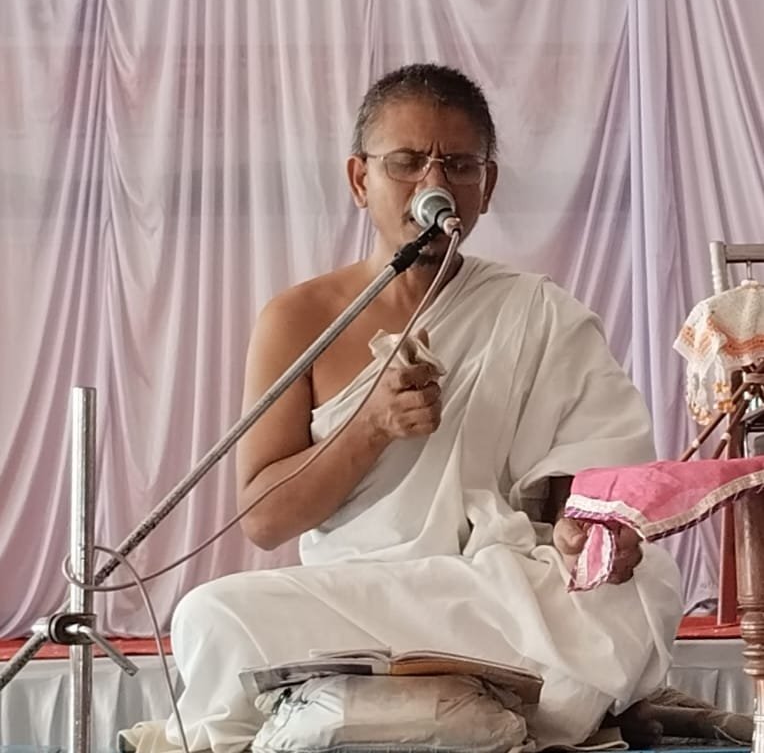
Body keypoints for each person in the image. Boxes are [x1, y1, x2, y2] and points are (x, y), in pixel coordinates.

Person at [121, 64, 682, 753]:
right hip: (354, 599)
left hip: (492, 592)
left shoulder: (538, 311)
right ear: (360, 179)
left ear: (486, 186)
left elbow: (596, 480)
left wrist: (585, 533)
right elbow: (265, 519)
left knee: (640, 587)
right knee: (211, 614)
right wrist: (371, 427)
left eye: (459, 165)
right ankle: (498, 699)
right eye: (407, 162)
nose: (432, 184)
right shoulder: (300, 318)